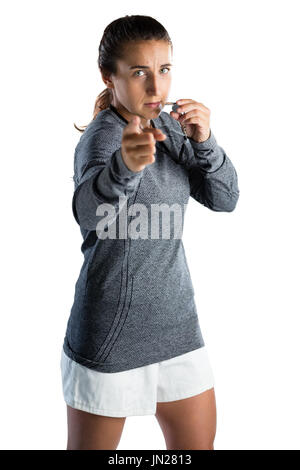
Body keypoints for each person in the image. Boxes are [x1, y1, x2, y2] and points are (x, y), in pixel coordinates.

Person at [60, 14, 240, 450]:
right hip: (110, 336)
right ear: (109, 76)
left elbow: (225, 199)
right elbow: (87, 212)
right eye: (139, 72)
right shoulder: (103, 140)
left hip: (178, 328)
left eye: (164, 70)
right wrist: (124, 168)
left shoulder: (174, 128)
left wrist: (206, 141)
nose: (156, 88)